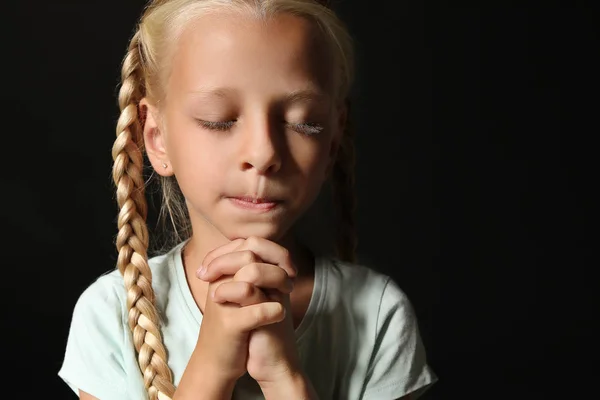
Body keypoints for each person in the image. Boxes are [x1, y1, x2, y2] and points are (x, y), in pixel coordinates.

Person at [58, 0, 438, 399]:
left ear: (332, 141)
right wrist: (211, 367)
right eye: (218, 119)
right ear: (156, 138)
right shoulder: (110, 314)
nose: (263, 153)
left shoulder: (379, 314)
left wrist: (284, 377)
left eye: (303, 121)